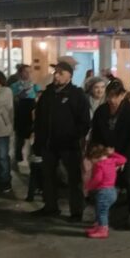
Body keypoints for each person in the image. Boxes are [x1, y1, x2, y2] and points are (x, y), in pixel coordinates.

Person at [32, 61, 91, 220]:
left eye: (60, 73)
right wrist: (38, 140)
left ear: (69, 76)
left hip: (69, 145)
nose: (56, 76)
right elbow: (39, 119)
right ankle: (50, 206)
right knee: (48, 176)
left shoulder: (77, 95)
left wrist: (74, 136)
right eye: (55, 73)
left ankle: (76, 211)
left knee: (73, 179)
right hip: (49, 144)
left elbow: (84, 122)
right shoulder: (48, 94)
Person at [90, 79, 130, 210]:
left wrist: (124, 158)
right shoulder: (101, 111)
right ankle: (107, 204)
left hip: (125, 151)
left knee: (129, 179)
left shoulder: (129, 113)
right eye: (110, 96)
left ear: (123, 95)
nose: (112, 100)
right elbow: (96, 132)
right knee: (107, 179)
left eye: (115, 96)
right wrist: (99, 150)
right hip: (106, 151)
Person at [84, 144, 126, 239]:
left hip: (103, 192)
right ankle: (99, 227)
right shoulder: (112, 161)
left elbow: (97, 179)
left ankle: (103, 230)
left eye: (91, 159)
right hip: (112, 190)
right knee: (101, 210)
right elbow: (123, 159)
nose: (91, 162)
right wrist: (113, 153)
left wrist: (89, 186)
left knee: (102, 212)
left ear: (96, 157)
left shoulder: (100, 165)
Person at [10, 64, 40, 163]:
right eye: (25, 71)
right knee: (20, 137)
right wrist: (19, 95)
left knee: (33, 134)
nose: (28, 74)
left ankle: (33, 156)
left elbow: (39, 95)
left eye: (30, 71)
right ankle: (17, 157)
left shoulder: (34, 84)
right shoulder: (15, 85)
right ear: (20, 73)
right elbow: (12, 98)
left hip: (32, 110)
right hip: (20, 111)